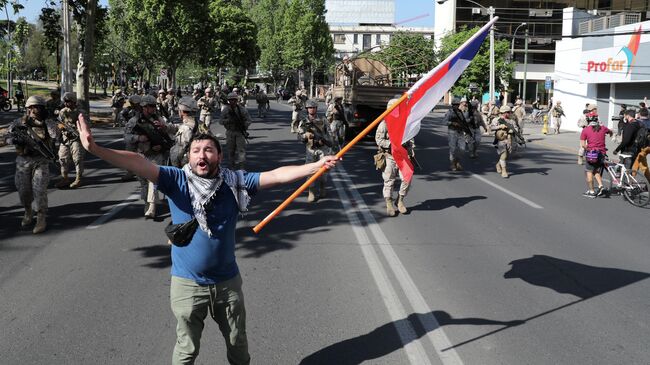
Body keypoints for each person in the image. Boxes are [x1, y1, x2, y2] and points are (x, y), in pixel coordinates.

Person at [75, 113, 338, 365]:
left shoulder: (235, 181)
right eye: (196, 151)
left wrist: (315, 165)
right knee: (186, 350)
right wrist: (96, 149)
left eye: (209, 150)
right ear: (188, 157)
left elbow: (277, 175)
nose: (202, 155)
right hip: (187, 286)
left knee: (238, 345)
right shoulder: (176, 179)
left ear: (219, 156)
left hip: (227, 284)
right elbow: (138, 161)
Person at [7, 95, 59, 234]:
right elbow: (8, 137)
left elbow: (55, 136)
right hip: (23, 161)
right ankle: (28, 211)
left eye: (36, 107)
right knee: (24, 191)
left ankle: (41, 217)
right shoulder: (19, 122)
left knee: (39, 190)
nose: (33, 110)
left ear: (42, 108)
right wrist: (15, 140)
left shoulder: (48, 123)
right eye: (30, 107)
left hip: (41, 161)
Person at [125, 94, 175, 219]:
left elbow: (169, 135)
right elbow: (127, 137)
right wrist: (138, 138)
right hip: (141, 154)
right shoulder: (134, 121)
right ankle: (147, 203)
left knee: (153, 180)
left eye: (154, 106)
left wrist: (162, 142)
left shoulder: (158, 119)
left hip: (156, 155)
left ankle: (152, 207)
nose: (153, 109)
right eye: (151, 106)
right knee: (143, 182)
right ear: (144, 107)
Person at [375, 98, 414, 216]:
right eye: (395, 109)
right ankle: (389, 203)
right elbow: (379, 140)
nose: (397, 111)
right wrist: (392, 144)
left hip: (402, 156)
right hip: (389, 156)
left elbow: (410, 138)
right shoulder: (384, 124)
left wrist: (411, 149)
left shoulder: (404, 123)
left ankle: (400, 200)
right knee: (389, 180)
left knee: (407, 178)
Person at [298, 99, 333, 202]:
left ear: (316, 109)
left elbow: (330, 133)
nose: (312, 109)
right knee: (310, 171)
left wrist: (328, 142)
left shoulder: (323, 119)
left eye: (313, 108)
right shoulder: (304, 122)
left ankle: (322, 188)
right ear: (307, 109)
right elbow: (299, 137)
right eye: (310, 108)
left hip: (323, 149)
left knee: (324, 170)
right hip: (311, 150)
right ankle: (311, 192)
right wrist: (305, 135)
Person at [55, 92, 85, 189]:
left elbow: (86, 125)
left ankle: (78, 179)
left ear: (73, 101)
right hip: (65, 138)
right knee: (62, 158)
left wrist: (75, 129)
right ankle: (65, 178)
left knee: (77, 158)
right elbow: (58, 122)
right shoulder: (63, 111)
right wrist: (62, 127)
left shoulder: (80, 112)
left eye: (68, 101)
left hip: (76, 138)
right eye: (65, 101)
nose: (66, 103)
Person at [580, 113, 612, 197]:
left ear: (588, 120)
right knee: (595, 170)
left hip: (592, 154)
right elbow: (610, 131)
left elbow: (583, 144)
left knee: (589, 172)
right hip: (602, 154)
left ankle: (591, 192)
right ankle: (601, 186)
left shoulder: (585, 130)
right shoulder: (603, 128)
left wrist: (589, 149)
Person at [220, 92, 252, 170]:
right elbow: (220, 121)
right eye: (231, 100)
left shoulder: (241, 109)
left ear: (237, 100)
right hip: (230, 132)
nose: (232, 101)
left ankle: (242, 168)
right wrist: (229, 120)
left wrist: (244, 126)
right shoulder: (226, 110)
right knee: (231, 151)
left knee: (241, 151)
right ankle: (232, 167)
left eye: (234, 100)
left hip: (239, 132)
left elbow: (249, 120)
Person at [443, 97, 471, 171]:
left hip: (460, 132)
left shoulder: (460, 112)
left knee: (462, 149)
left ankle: (457, 162)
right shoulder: (449, 112)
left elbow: (464, 122)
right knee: (453, 149)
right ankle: (452, 164)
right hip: (452, 132)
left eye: (457, 104)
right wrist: (452, 123)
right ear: (452, 105)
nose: (456, 106)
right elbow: (444, 122)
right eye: (455, 104)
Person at [492, 105, 516, 178]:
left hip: (509, 139)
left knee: (507, 156)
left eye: (509, 112)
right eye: (508, 112)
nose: (509, 113)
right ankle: (504, 170)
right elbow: (491, 128)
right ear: (504, 112)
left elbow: (516, 128)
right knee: (504, 155)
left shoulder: (511, 121)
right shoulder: (496, 120)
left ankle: (498, 164)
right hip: (501, 140)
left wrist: (513, 130)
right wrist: (499, 127)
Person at [631, 107, 650, 182]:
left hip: (643, 146)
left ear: (639, 114)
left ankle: (631, 180)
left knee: (640, 163)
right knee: (640, 162)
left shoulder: (637, 122)